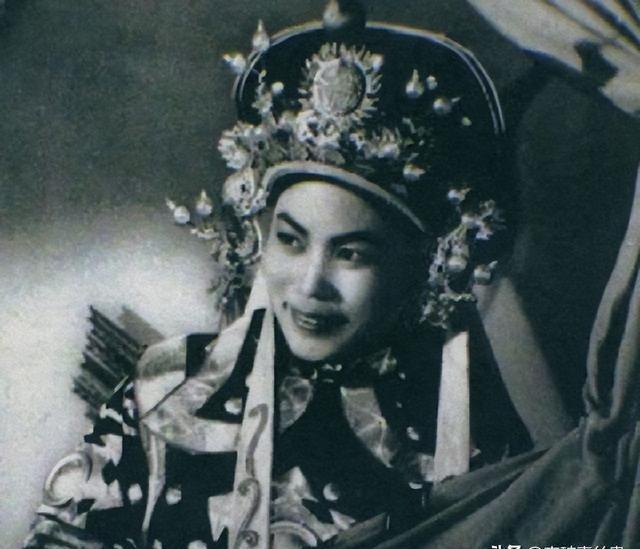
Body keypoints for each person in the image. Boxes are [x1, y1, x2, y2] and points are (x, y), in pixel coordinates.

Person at [23, 2, 640, 548]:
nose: (310, 283)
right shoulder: (165, 391)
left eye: (352, 254)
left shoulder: (480, 436)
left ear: (422, 264)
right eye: (291, 241)